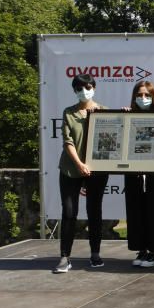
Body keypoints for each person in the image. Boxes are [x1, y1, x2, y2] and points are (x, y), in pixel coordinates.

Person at [53, 73, 109, 273]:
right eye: (79, 88)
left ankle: (95, 254)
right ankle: (64, 257)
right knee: (69, 213)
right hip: (70, 169)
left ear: (94, 87)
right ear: (74, 91)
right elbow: (68, 142)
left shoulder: (104, 111)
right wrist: (79, 164)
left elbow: (116, 134)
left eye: (87, 87)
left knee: (95, 212)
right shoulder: (69, 112)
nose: (84, 91)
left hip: (97, 170)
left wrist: (127, 115)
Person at [125, 81, 154, 268]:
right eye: (139, 95)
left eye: (147, 95)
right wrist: (122, 118)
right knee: (135, 211)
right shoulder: (127, 116)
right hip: (133, 171)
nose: (143, 98)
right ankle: (141, 249)